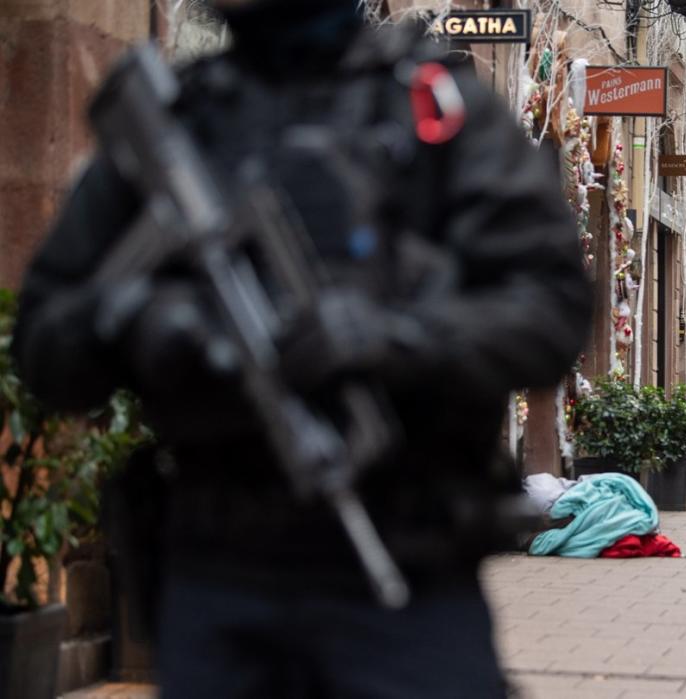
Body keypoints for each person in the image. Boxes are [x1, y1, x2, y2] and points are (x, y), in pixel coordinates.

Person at [12, 1, 593, 695]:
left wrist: (394, 337)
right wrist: (146, 321)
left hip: (402, 581)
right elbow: (46, 342)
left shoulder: (434, 113)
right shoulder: (182, 123)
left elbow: (551, 313)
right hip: (220, 580)